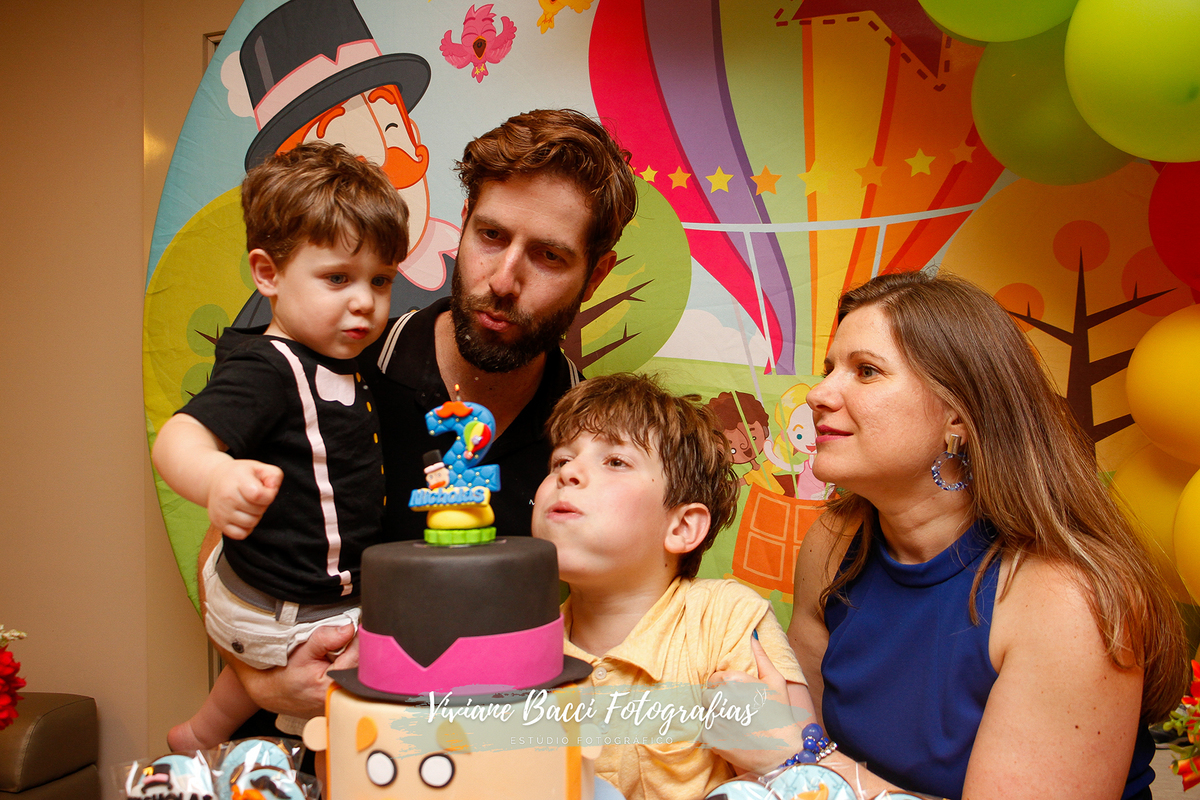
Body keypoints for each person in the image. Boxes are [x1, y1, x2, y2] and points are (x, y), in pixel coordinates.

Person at [208, 108, 640, 722]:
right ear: (463, 224)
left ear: (595, 275)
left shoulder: (587, 440)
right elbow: (227, 546)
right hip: (305, 745)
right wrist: (261, 682)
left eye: (548, 255)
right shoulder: (336, 361)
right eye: (491, 236)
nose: (503, 280)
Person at [742, 271, 1188, 799]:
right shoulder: (834, 542)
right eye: (828, 369)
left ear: (957, 416)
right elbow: (797, 727)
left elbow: (798, 751)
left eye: (866, 371)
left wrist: (803, 762)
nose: (818, 394)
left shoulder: (1068, 603)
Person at [153, 142, 408, 750]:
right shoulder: (266, 368)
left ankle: (201, 731)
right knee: (368, 674)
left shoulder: (346, 361)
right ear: (268, 274)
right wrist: (216, 477)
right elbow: (177, 438)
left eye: (380, 281)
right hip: (276, 603)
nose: (364, 301)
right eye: (337, 278)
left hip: (295, 589)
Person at [531, 373, 814, 800]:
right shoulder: (524, 650)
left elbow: (806, 778)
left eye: (615, 461)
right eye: (560, 461)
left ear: (682, 527)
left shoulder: (726, 619)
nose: (568, 473)